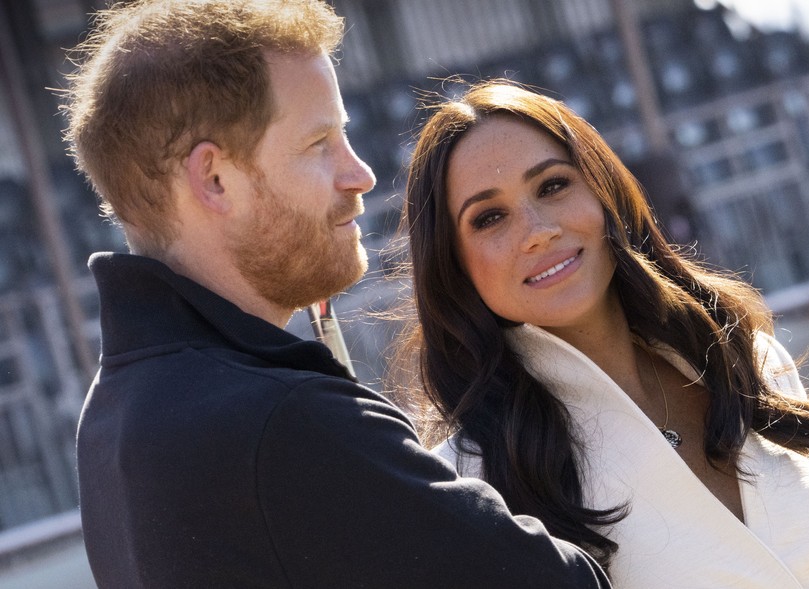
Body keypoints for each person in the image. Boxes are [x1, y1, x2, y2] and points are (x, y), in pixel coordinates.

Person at [61, 2, 611, 587]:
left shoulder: (112, 420)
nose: (360, 174)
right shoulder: (284, 424)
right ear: (215, 179)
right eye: (319, 142)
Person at [397, 80, 809, 588]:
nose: (538, 229)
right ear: (454, 265)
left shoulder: (747, 362)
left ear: (604, 192)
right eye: (490, 217)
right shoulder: (472, 479)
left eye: (553, 185)